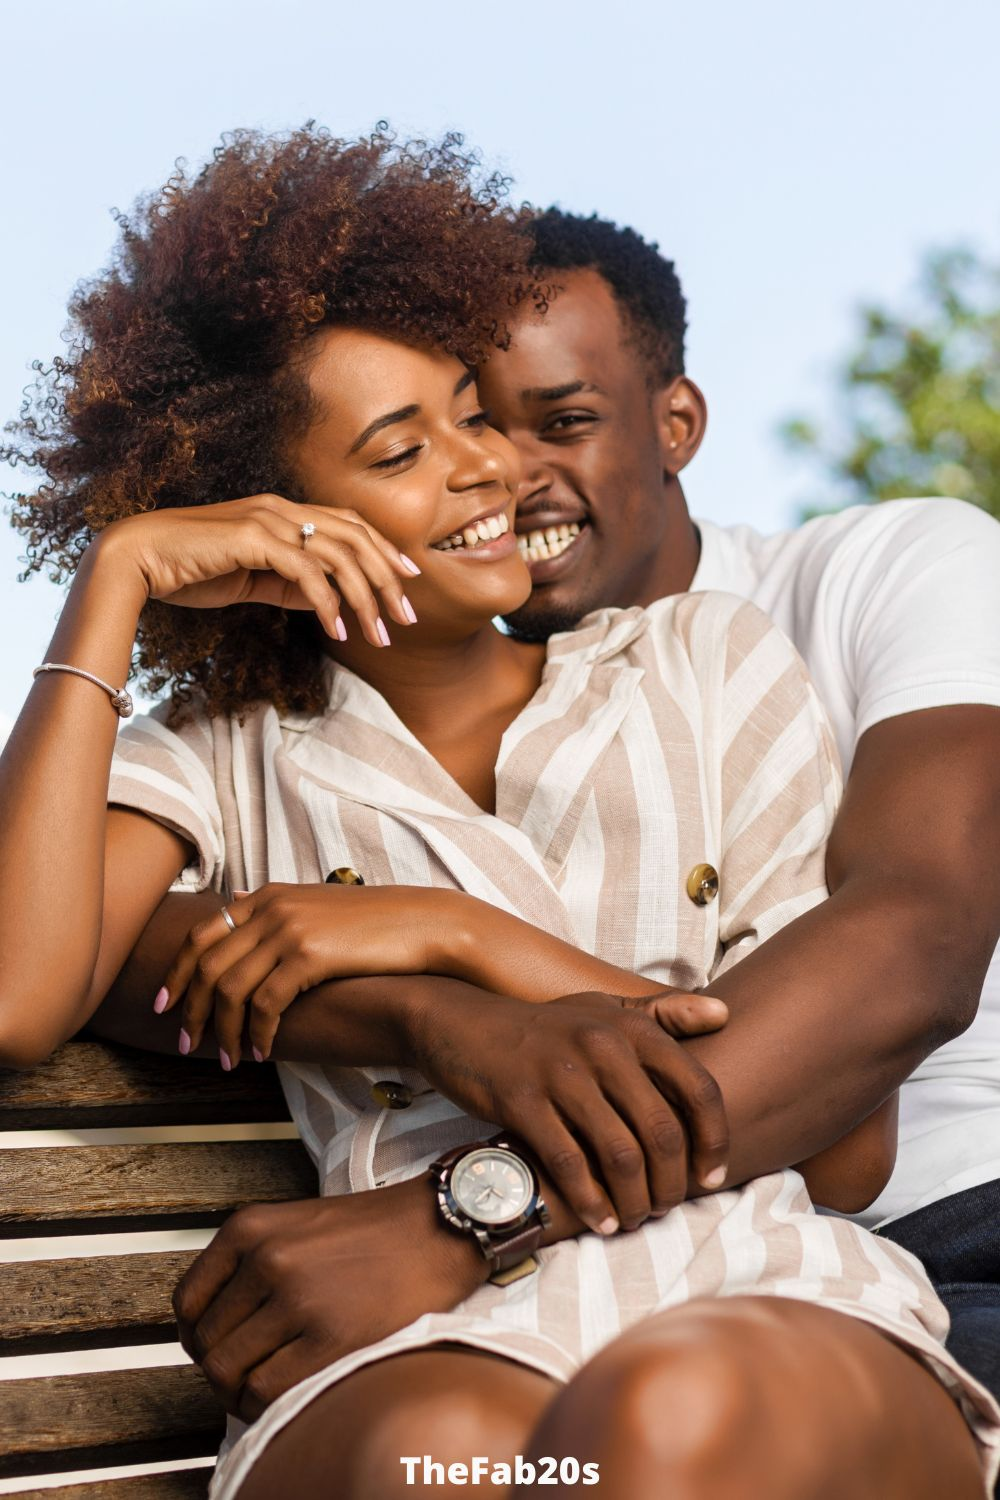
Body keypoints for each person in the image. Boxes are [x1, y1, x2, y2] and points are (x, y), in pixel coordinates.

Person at [2, 126, 997, 1500]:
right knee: (455, 1467)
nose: (488, 471)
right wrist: (111, 586)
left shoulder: (703, 663)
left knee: (664, 1426)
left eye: (476, 415)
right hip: (411, 1333)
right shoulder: (222, 758)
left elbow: (845, 1145)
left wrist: (468, 946)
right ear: (277, 513)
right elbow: (18, 993)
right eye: (405, 450)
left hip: (744, 1264)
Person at [474, 208, 1000, 1397]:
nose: (510, 478)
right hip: (631, 1288)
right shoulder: (426, 723)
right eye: (471, 428)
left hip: (953, 1226)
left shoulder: (896, 568)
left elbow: (915, 943)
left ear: (676, 424)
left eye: (563, 422)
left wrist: (464, 1220)